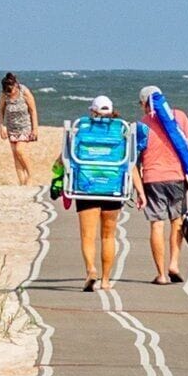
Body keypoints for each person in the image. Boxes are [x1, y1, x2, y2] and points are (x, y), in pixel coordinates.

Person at [58, 93, 136, 291]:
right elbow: (130, 161)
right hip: (112, 188)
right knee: (109, 236)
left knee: (88, 236)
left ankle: (91, 270)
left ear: (92, 111)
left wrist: (57, 176)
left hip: (86, 188)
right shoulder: (120, 130)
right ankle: (106, 280)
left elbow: (65, 158)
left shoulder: (82, 128)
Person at [134, 93, 188, 284]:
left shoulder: (143, 123)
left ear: (145, 104)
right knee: (177, 221)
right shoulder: (179, 116)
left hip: (153, 178)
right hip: (177, 176)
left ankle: (161, 274)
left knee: (157, 224)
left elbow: (137, 156)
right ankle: (174, 263)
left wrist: (138, 187)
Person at [0, 72, 40, 179]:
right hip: (11, 127)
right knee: (15, 156)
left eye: (11, 91)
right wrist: (1, 127)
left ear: (16, 86)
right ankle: (22, 182)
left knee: (20, 150)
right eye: (7, 92)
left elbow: (33, 110)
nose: (9, 94)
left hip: (25, 126)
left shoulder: (24, 92)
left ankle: (31, 175)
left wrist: (35, 129)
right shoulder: (4, 94)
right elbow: (1, 111)